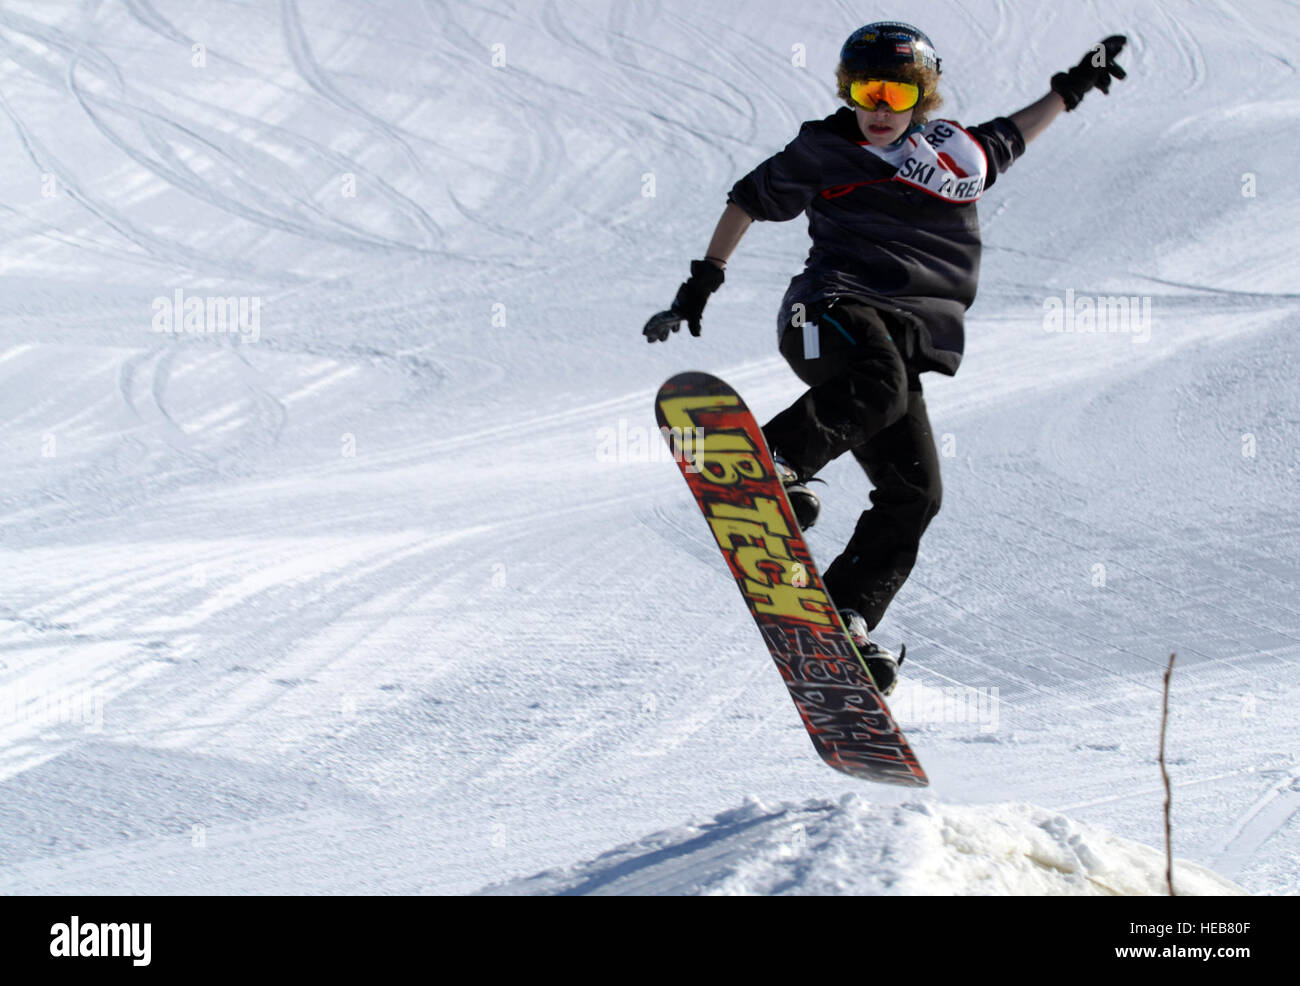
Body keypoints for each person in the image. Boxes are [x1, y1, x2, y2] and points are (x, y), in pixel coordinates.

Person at [643, 22, 1127, 694]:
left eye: (894, 94)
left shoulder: (953, 153)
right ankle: (771, 464)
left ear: (918, 99)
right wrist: (704, 279)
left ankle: (845, 619)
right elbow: (748, 200)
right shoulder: (826, 147)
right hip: (822, 315)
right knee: (878, 384)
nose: (877, 108)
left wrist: (1070, 88)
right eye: (865, 91)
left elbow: (1015, 134)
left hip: (896, 349)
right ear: (849, 90)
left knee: (916, 492)